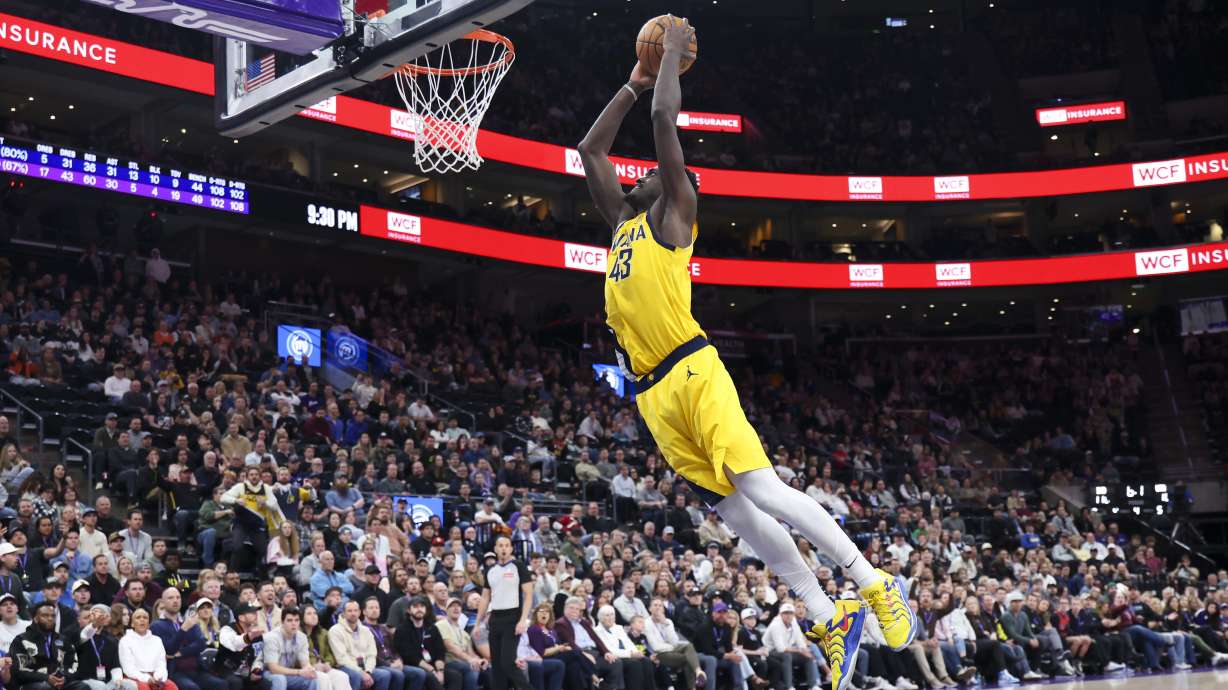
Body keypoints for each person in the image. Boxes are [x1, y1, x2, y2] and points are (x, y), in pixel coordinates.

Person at [577, 17, 914, 690]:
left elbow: (667, 123)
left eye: (664, 174)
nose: (645, 174)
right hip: (650, 394)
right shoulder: (620, 226)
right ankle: (826, 615)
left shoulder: (672, 220)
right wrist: (630, 83)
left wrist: (670, 58)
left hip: (693, 372)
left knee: (763, 489)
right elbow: (589, 151)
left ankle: (871, 582)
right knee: (733, 514)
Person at [475, 536, 533, 690]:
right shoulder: (490, 570)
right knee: (498, 667)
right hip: (495, 619)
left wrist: (522, 620)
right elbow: (485, 598)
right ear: (495, 549)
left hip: (513, 618)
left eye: (507, 545)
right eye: (500, 545)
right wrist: (477, 624)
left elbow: (528, 594)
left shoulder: (518, 566)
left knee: (508, 663)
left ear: (511, 549)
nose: (504, 548)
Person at [12, 601, 89, 690]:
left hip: (59, 681)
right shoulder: (21, 640)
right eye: (45, 615)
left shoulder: (62, 640)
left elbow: (73, 664)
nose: (50, 618)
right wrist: (46, 678)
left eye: (53, 616)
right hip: (33, 683)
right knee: (45, 688)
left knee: (82, 687)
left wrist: (64, 677)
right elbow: (19, 672)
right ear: (36, 619)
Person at [327, 601, 389, 690]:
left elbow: (372, 654)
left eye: (355, 610)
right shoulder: (335, 631)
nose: (353, 613)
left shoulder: (366, 630)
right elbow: (342, 658)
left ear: (360, 612)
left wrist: (368, 671)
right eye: (349, 611)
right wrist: (361, 672)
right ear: (343, 613)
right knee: (356, 676)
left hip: (366, 667)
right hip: (345, 666)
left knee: (384, 675)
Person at [593, 605, 655, 690]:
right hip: (616, 657)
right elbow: (608, 650)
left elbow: (628, 643)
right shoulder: (597, 631)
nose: (610, 618)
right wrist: (630, 654)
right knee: (634, 664)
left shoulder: (618, 628)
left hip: (629, 655)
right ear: (601, 618)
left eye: (612, 615)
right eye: (607, 615)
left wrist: (636, 652)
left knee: (646, 661)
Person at [390, 598, 445, 690]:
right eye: (415, 607)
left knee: (453, 673)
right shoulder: (402, 629)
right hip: (414, 665)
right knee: (429, 676)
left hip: (434, 664)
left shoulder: (432, 627)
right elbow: (408, 655)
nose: (419, 609)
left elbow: (440, 650)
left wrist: (440, 671)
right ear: (408, 610)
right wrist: (431, 669)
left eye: (422, 606)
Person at [762, 602, 820, 690]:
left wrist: (805, 651)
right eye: (786, 613)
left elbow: (800, 640)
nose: (788, 615)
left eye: (790, 613)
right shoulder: (775, 625)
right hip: (769, 651)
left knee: (808, 654)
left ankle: (813, 685)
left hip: (786, 650)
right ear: (781, 614)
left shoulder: (793, 622)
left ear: (793, 614)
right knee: (787, 656)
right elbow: (780, 648)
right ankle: (789, 686)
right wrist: (800, 651)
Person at [118, 607, 178, 690]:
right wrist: (146, 679)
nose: (142, 620)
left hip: (155, 677)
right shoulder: (125, 640)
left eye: (145, 618)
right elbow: (128, 668)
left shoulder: (157, 640)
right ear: (132, 623)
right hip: (134, 677)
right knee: (144, 688)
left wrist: (159, 678)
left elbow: (161, 664)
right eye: (138, 618)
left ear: (149, 623)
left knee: (171, 686)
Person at [76, 603, 133, 690]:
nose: (99, 617)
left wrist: (118, 679)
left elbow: (115, 665)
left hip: (107, 681)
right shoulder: (81, 634)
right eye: (95, 614)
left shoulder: (112, 640)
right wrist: (94, 624)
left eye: (103, 615)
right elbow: (85, 635)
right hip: (85, 680)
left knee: (130, 685)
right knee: (100, 686)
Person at [263, 607, 319, 690]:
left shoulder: (302, 637)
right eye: (289, 620)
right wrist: (299, 672)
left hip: (289, 672)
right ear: (282, 622)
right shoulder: (272, 637)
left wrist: (310, 670)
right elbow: (273, 668)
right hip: (268, 673)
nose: (294, 624)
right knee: (280, 679)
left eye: (296, 620)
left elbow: (305, 664)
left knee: (312, 679)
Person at [436, 598, 485, 690]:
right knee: (470, 668)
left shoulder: (464, 633)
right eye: (452, 606)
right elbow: (450, 647)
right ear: (446, 610)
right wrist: (470, 660)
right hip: (448, 662)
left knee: (487, 669)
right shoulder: (442, 624)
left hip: (463, 662)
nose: (456, 608)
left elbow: (471, 653)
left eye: (458, 606)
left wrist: (480, 661)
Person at [301, 606, 350, 690]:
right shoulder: (299, 635)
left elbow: (329, 653)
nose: (313, 616)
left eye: (315, 613)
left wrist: (328, 663)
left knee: (342, 676)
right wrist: (314, 665)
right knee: (324, 678)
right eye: (309, 614)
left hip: (324, 666)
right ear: (301, 617)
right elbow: (300, 657)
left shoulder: (323, 633)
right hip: (308, 668)